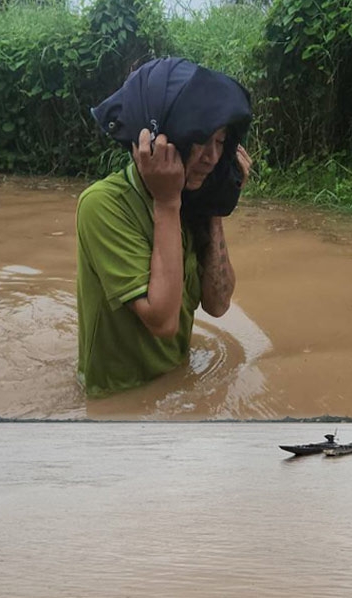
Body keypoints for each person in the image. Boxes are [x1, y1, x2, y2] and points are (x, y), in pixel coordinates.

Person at [76, 58, 253, 398]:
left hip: (176, 387)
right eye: (201, 139)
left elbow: (218, 304)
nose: (212, 158)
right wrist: (168, 204)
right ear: (164, 139)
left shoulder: (192, 202)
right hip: (118, 400)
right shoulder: (101, 205)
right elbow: (162, 321)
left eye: (221, 142)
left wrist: (217, 203)